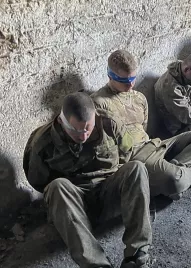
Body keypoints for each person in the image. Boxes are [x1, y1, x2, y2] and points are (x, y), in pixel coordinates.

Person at [23, 92, 152, 268]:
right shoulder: (42, 142)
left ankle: (137, 257)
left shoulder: (109, 123)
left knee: (137, 168)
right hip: (73, 205)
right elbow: (37, 181)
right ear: (61, 121)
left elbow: (127, 152)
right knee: (57, 186)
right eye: (76, 130)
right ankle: (97, 265)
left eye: (88, 128)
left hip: (108, 192)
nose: (83, 136)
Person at [91, 50, 191, 200]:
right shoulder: (99, 104)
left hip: (155, 144)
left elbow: (144, 128)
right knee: (175, 181)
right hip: (135, 157)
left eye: (133, 78)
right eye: (124, 81)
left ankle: (176, 169)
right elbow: (108, 149)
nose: (131, 84)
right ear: (110, 75)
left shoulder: (139, 97)